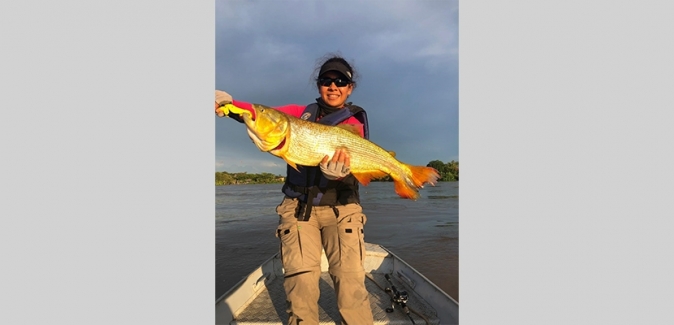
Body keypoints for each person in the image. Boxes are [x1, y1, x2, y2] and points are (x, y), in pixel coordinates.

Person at [214, 55, 374, 325]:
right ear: (319, 85)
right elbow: (258, 113)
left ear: (350, 88)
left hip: (343, 208)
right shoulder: (299, 113)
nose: (333, 86)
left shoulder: (353, 123)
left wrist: (339, 173)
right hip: (299, 210)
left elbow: (360, 164)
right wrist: (227, 104)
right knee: (300, 285)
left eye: (341, 81)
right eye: (326, 80)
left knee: (350, 284)